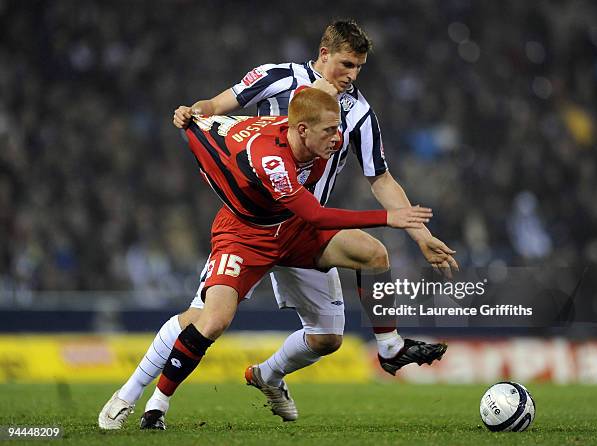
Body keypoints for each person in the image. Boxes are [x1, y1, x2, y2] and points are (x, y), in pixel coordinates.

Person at [99, 19, 458, 430]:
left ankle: (270, 373)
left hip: (304, 226)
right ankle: (130, 395)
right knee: (203, 318)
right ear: (324, 55)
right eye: (346, 64)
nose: (352, 76)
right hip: (250, 223)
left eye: (359, 68)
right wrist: (192, 113)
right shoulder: (277, 77)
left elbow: (381, 179)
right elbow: (215, 107)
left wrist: (422, 235)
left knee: (333, 329)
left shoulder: (358, 113)